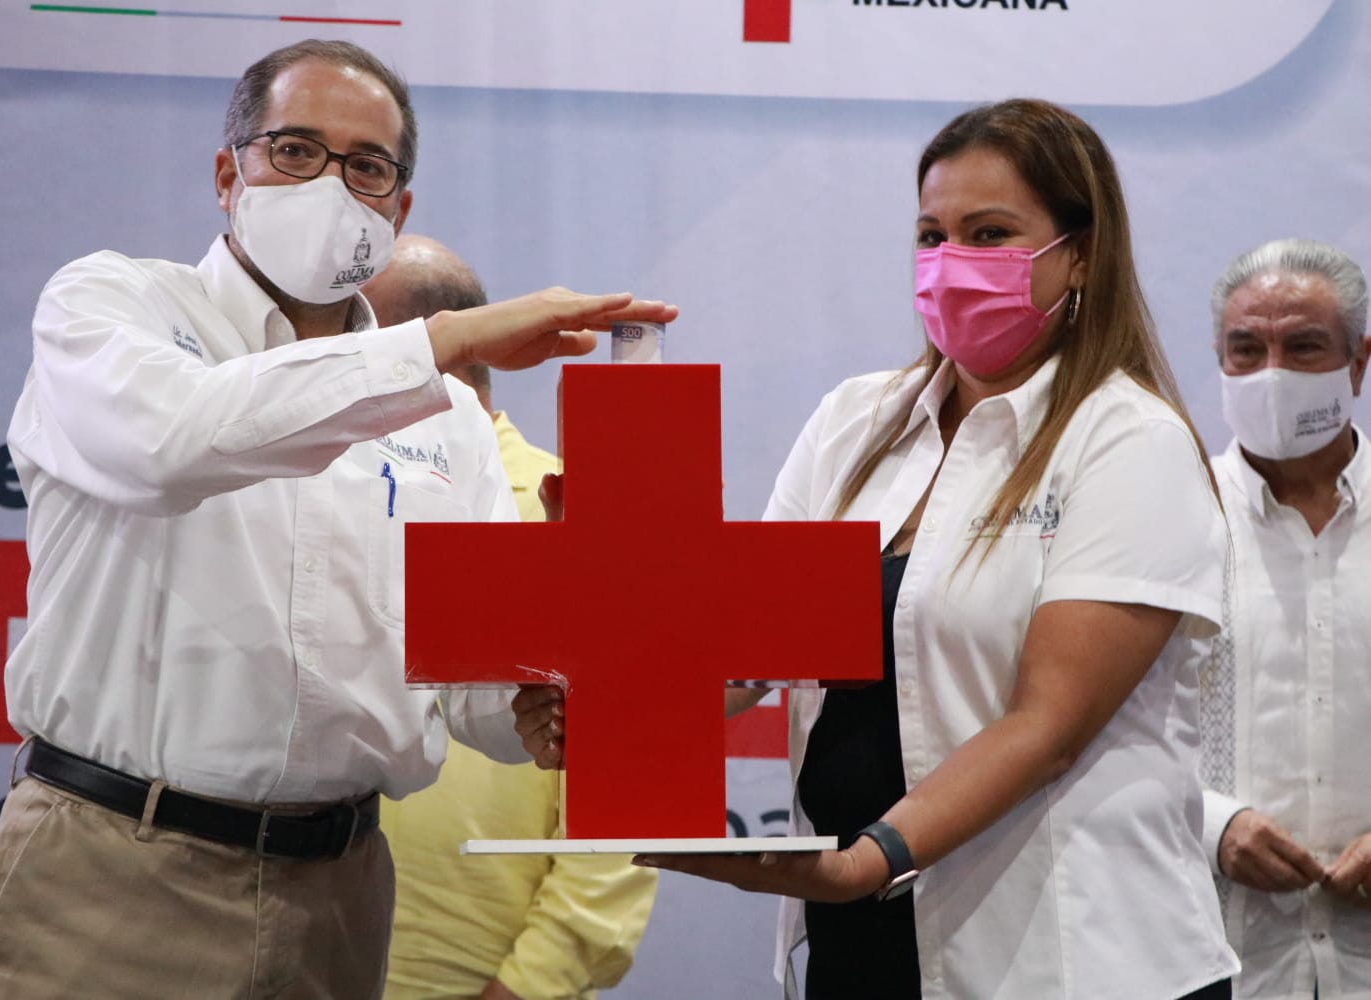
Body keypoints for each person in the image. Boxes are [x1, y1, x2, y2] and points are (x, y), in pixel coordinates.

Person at [0, 39, 675, 1000]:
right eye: (295, 150)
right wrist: (442, 341)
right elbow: (176, 442)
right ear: (229, 174)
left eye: (367, 166)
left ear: (397, 209)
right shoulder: (112, 304)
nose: (331, 187)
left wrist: (545, 699)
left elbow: (470, 692)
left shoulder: (451, 417)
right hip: (117, 868)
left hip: (341, 892)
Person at [519, 98, 1240, 999]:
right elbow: (745, 646)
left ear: (1081, 253)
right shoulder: (856, 420)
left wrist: (869, 862)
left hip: (1069, 953)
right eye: (932, 236)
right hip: (858, 942)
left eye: (990, 234)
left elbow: (1048, 726)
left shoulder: (1129, 441)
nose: (950, 263)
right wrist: (607, 707)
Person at [363, 235, 658, 1000]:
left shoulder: (577, 518)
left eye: (349, 344)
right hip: (310, 952)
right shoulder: (331, 504)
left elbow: (626, 800)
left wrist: (531, 983)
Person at [1200, 238, 1371, 999]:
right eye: (1247, 349)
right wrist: (1211, 825)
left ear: (1358, 362)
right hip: (1221, 954)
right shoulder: (1171, 514)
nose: (1272, 374)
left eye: (1303, 347)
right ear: (1219, 360)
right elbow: (1099, 731)